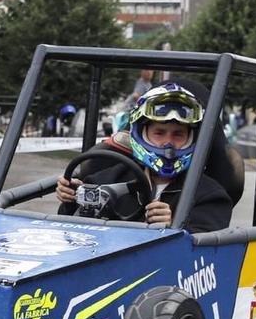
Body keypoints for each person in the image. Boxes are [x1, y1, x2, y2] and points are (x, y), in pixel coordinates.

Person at [52, 83, 232, 232]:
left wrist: (173, 227)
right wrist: (71, 199)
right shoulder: (106, 180)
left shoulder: (211, 196)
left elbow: (203, 258)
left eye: (178, 134)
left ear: (192, 138)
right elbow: (72, 234)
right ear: (141, 134)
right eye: (159, 133)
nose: (167, 143)